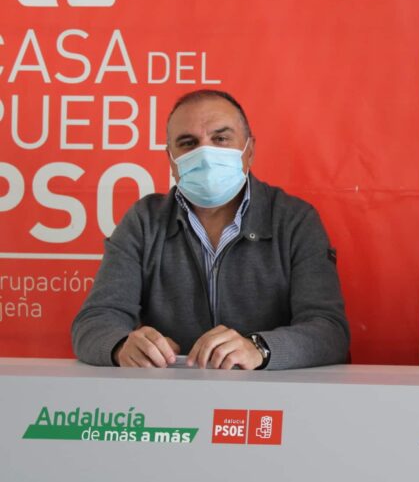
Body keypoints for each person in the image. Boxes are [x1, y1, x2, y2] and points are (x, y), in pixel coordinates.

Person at [72, 90, 350, 370]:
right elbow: (94, 322)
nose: (205, 153)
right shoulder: (144, 222)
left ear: (249, 150)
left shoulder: (295, 221)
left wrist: (260, 348)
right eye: (188, 143)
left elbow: (328, 331)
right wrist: (122, 346)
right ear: (171, 159)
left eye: (220, 139)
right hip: (168, 401)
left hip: (271, 401)